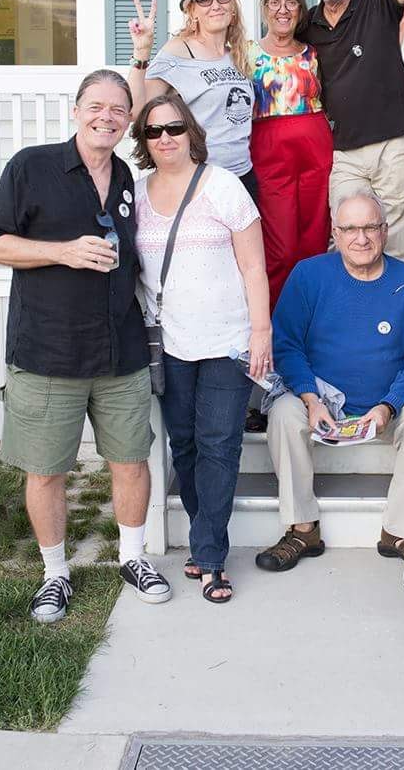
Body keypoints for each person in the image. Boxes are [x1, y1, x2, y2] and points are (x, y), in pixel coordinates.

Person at [0, 70, 171, 623]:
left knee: (131, 461)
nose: (106, 117)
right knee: (46, 471)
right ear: (76, 109)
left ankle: (132, 559)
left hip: (119, 352)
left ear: (128, 120)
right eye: (96, 106)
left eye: (118, 109)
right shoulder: (31, 167)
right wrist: (61, 251)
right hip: (48, 353)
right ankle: (55, 572)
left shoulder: (128, 177)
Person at [131, 93, 271, 603]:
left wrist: (261, 331)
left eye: (174, 127)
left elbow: (254, 266)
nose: (165, 138)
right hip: (168, 343)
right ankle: (202, 534)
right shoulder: (136, 194)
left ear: (191, 130)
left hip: (227, 340)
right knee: (185, 445)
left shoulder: (223, 186)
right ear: (144, 141)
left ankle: (211, 557)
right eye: (153, 131)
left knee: (219, 445)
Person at [255, 189, 404, 572]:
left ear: (385, 231)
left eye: (370, 227)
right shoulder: (308, 275)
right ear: (335, 233)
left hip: (386, 408)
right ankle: (302, 530)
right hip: (324, 405)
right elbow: (286, 344)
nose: (361, 238)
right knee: (284, 412)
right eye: (350, 229)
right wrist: (310, 398)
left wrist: (388, 406)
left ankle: (402, 532)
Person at [299, 0, 404, 264]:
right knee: (347, 242)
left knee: (397, 247)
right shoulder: (308, 26)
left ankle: (397, 302)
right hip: (345, 154)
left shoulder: (376, 1)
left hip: (396, 144)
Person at [127, 0, 257, 199]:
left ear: (232, 6)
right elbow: (136, 110)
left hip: (243, 177)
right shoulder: (179, 52)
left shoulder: (236, 54)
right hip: (201, 179)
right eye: (205, 0)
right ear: (192, 11)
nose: (215, 5)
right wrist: (141, 52)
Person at [247, 0, 333, 311]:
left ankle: (312, 318)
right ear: (264, 8)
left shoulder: (313, 52)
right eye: (275, 2)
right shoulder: (246, 52)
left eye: (291, 2)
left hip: (315, 149)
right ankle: (275, 320)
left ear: (300, 9)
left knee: (314, 237)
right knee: (280, 246)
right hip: (269, 151)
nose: (283, 10)